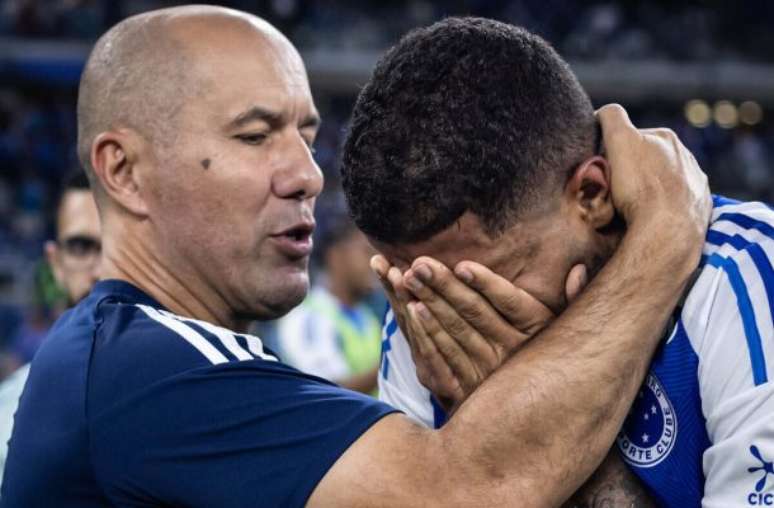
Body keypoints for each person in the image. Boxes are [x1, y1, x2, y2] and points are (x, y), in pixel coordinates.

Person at [1, 6, 711, 507]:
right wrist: (661, 243)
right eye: (255, 137)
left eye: (306, 135)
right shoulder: (143, 371)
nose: (308, 174)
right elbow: (469, 494)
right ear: (123, 172)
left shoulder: (149, 359)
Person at [341, 17, 773, 507]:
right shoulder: (422, 314)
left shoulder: (745, 275)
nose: (450, 311)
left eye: (478, 282)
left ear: (590, 194)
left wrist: (525, 433)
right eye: (417, 284)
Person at [0, 169, 100, 489]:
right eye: (82, 247)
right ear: (56, 265)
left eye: (120, 245)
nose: (101, 270)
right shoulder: (7, 419)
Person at [276, 212, 382, 393]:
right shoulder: (309, 317)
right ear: (335, 256)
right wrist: (393, 363)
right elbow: (327, 392)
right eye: (366, 252)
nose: (375, 262)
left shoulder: (366, 317)